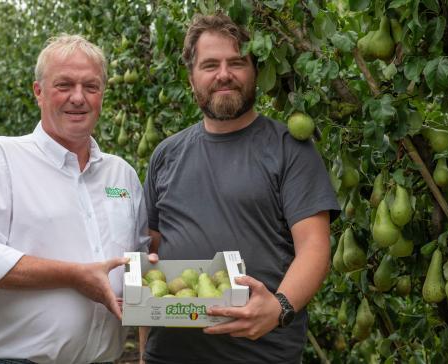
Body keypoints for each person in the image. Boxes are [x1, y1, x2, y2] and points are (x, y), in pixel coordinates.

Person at [140, 13, 340, 364]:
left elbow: (314, 247)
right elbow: (151, 255)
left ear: (255, 72)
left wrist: (279, 307)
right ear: (191, 79)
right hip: (170, 355)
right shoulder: (165, 155)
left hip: (261, 354)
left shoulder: (289, 148)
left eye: (237, 62)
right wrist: (144, 354)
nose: (224, 75)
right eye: (210, 65)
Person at [0, 34, 151, 364]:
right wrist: (75, 275)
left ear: (103, 94)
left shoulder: (121, 176)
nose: (78, 97)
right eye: (64, 85)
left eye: (91, 86)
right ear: (38, 92)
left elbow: (139, 261)